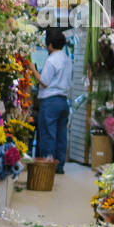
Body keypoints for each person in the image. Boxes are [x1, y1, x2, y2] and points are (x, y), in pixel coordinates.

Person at [36, 29, 73, 174]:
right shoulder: (67, 58)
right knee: (61, 135)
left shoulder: (51, 60)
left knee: (48, 133)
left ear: (50, 44)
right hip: (63, 101)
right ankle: (59, 166)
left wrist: (32, 69)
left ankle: (48, 164)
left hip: (50, 101)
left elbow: (44, 81)